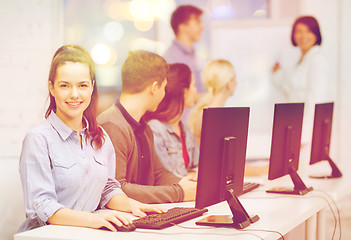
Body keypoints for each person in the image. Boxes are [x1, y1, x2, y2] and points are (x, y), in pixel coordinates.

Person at [18, 45, 164, 233]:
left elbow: (107, 189)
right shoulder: (38, 139)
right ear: (51, 88)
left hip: (87, 233)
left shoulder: (100, 137)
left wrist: (135, 206)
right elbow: (43, 207)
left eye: (82, 85)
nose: (74, 94)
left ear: (92, 87)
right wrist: (96, 220)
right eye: (64, 85)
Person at [97, 50, 197, 204]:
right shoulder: (112, 125)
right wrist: (179, 192)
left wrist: (185, 183)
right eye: (163, 87)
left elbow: (158, 174)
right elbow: (117, 189)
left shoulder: (144, 128)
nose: (164, 93)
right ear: (154, 87)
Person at [271, 16, 334, 150]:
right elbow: (293, 92)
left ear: (316, 35)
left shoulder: (317, 60)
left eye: (308, 31)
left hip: (307, 133)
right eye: (299, 31)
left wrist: (304, 135)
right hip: (297, 127)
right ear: (293, 35)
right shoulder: (302, 61)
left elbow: (316, 100)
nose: (303, 35)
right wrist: (278, 74)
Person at [144, 63, 199, 179]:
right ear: (184, 91)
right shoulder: (155, 129)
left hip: (190, 193)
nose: (196, 91)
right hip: (174, 195)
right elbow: (164, 178)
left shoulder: (184, 127)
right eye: (193, 86)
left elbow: (197, 165)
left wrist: (194, 175)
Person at [187, 59, 237, 147]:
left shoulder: (209, 111)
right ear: (228, 83)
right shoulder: (212, 115)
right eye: (234, 79)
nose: (236, 83)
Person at [163, 5, 205, 109]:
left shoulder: (193, 54)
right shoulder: (170, 59)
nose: (202, 27)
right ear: (182, 27)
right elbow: (173, 95)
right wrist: (205, 97)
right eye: (197, 22)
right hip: (181, 121)